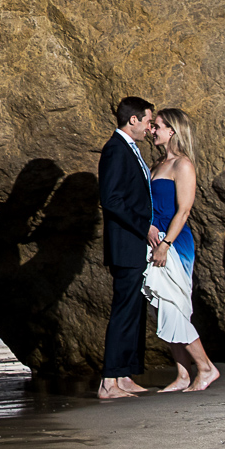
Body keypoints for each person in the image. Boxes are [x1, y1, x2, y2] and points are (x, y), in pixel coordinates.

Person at [143, 107, 220, 392]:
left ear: (172, 130)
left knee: (175, 307)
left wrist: (165, 244)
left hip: (174, 243)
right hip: (153, 240)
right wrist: (149, 229)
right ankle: (182, 375)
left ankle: (206, 368)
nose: (153, 130)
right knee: (164, 306)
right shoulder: (156, 165)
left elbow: (184, 210)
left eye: (158, 126)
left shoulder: (182, 165)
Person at [97, 96, 160, 399]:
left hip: (134, 243)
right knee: (123, 309)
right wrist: (143, 226)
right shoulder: (115, 150)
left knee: (134, 308)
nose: (150, 128)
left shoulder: (130, 150)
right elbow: (111, 200)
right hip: (126, 242)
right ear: (132, 120)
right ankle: (109, 381)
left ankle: (124, 375)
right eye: (148, 121)